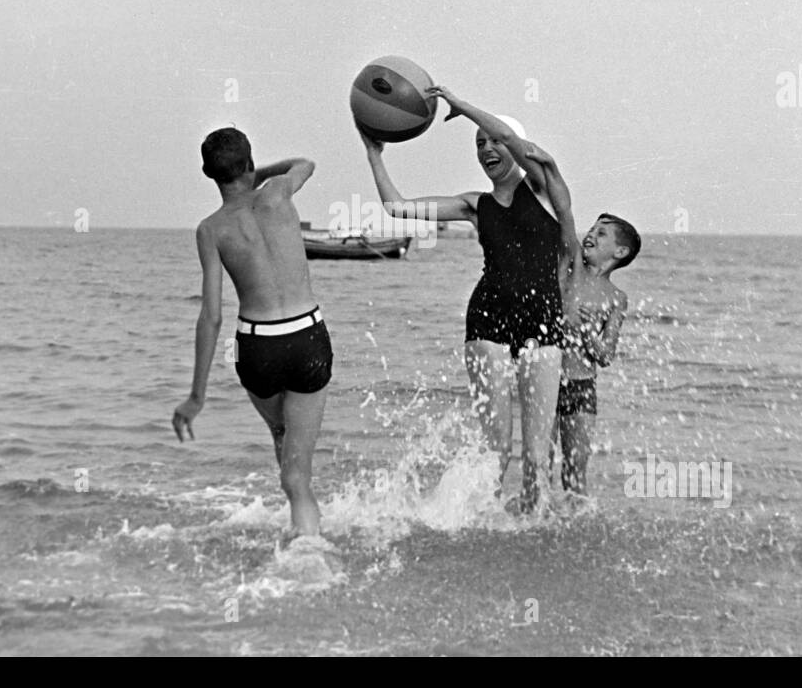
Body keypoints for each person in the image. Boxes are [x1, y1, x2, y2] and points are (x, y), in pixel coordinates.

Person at [360, 85, 564, 512]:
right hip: (487, 319)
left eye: (492, 141)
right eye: (479, 144)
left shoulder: (544, 187)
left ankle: (531, 533)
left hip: (544, 322)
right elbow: (397, 209)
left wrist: (464, 107)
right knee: (496, 452)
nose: (486, 148)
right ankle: (486, 530)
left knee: (536, 455)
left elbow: (515, 142)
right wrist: (374, 153)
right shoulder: (475, 205)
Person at [172, 127, 333, 539]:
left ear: (208, 173)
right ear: (250, 163)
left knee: (282, 436)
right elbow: (306, 164)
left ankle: (297, 512)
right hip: (306, 339)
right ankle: (307, 540)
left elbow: (211, 317)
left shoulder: (210, 230)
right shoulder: (279, 191)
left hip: (258, 349)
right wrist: (256, 172)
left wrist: (196, 396)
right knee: (298, 474)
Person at [522, 142, 639, 495]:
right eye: (593, 228)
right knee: (538, 463)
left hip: (582, 388)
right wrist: (548, 169)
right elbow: (563, 213)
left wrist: (589, 332)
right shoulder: (570, 264)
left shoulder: (617, 299)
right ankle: (533, 524)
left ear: (619, 252)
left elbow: (605, 357)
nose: (591, 233)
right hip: (547, 378)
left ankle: (573, 534)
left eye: (602, 233)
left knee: (575, 472)